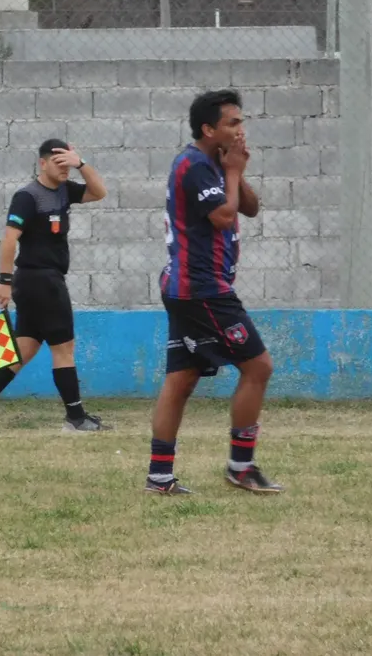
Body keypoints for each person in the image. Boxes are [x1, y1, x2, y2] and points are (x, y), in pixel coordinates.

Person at [145, 89, 282, 495]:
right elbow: (224, 216)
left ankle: (159, 477)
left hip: (187, 288)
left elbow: (249, 208)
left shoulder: (214, 164)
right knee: (258, 367)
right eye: (232, 123)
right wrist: (232, 172)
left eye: (241, 122)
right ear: (208, 129)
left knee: (182, 378)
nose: (241, 129)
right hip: (201, 289)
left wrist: (235, 170)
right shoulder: (193, 165)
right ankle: (241, 467)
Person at [0, 139, 110, 434]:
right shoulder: (28, 196)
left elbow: (99, 192)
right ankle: (76, 419)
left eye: (67, 164)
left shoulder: (65, 190)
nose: (64, 169)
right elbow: (9, 239)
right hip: (41, 281)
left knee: (25, 349)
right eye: (58, 163)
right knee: (64, 348)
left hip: (40, 282)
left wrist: (81, 164)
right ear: (42, 163)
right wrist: (4, 281)